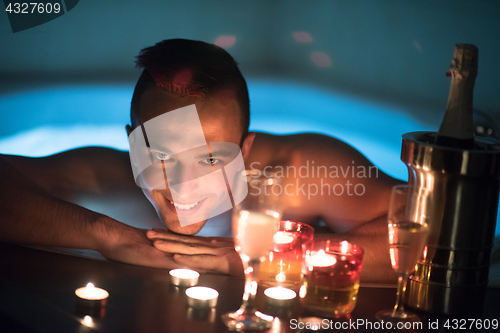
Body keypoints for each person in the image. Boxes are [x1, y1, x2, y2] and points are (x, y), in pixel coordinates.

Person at [0, 39, 402, 283]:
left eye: (210, 157)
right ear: (131, 143)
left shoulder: (298, 170)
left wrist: (255, 257)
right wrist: (111, 236)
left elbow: (429, 233)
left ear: (244, 152)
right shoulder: (107, 175)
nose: (182, 183)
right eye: (159, 154)